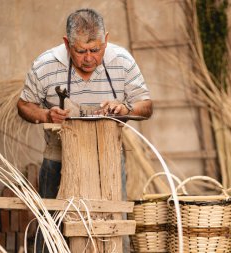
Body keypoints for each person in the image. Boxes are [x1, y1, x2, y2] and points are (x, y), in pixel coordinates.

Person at [17, 8, 152, 252]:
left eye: (96, 50)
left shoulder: (122, 61)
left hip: (108, 162)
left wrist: (124, 108)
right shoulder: (46, 64)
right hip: (58, 160)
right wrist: (45, 115)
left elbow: (146, 106)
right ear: (67, 44)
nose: (89, 58)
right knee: (53, 228)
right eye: (80, 51)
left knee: (111, 228)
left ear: (106, 40)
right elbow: (24, 105)